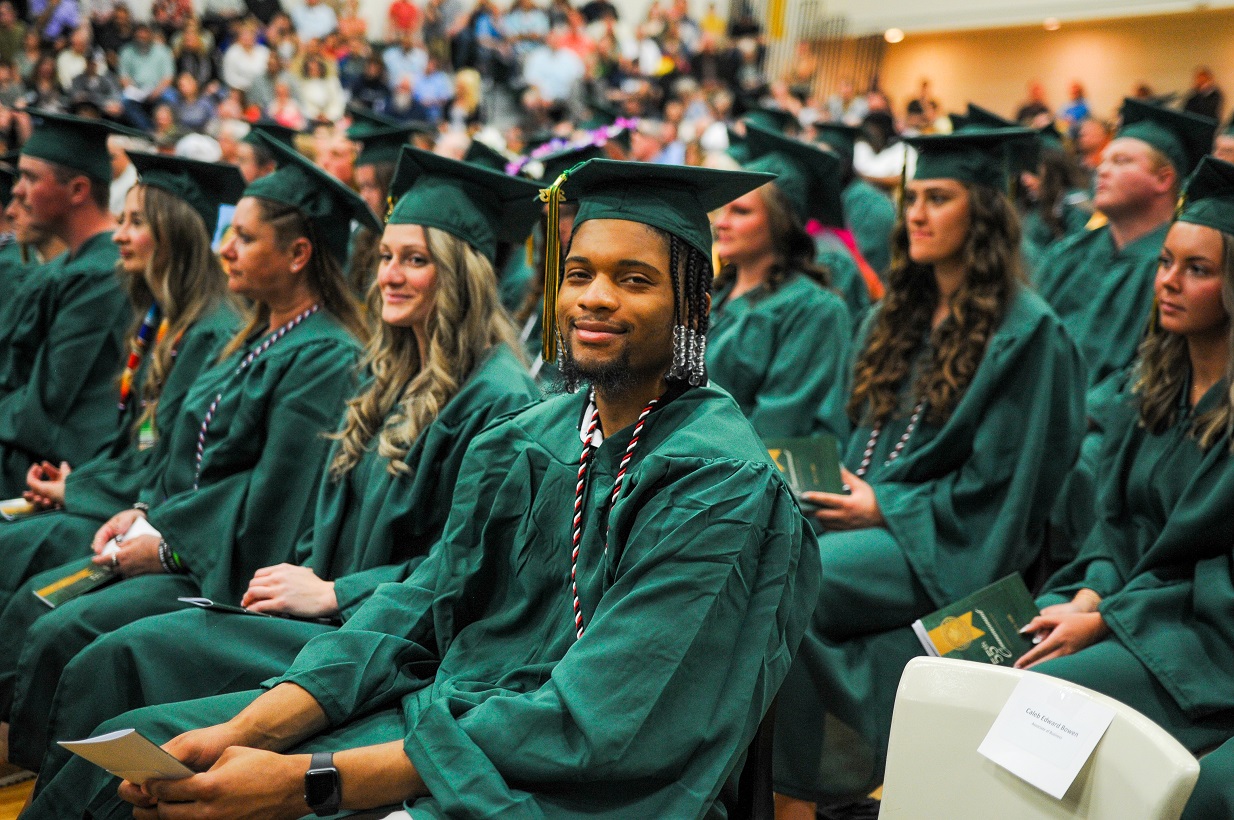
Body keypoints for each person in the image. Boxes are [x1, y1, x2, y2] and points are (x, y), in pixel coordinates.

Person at [55, 159, 819, 820]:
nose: (594, 297)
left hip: (569, 784)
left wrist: (306, 783)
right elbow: (417, 605)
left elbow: (599, 723)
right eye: (580, 273)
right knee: (143, 755)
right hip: (450, 721)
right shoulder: (532, 437)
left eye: (634, 279)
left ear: (690, 304)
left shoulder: (720, 485)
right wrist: (247, 731)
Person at [21, 147, 544, 788]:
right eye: (385, 257)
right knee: (97, 650)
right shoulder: (393, 373)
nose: (390, 276)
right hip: (314, 610)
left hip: (375, 638)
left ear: (462, 274)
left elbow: (459, 570)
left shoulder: (499, 401)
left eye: (416, 260)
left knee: (122, 661)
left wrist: (331, 592)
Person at [0, 132, 378, 761]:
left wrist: (168, 543)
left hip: (228, 571)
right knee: (41, 606)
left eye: (246, 238)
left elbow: (270, 503)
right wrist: (144, 512)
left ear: (298, 254)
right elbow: (186, 455)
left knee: (71, 634)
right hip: (180, 540)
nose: (224, 248)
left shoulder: (324, 354)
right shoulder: (259, 334)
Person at [772, 129, 1085, 818]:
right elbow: (856, 432)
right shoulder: (895, 314)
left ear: (983, 216)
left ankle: (805, 791)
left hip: (953, 541)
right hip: (872, 513)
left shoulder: (1028, 335)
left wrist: (886, 506)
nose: (916, 213)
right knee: (753, 549)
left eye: (938, 199)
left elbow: (1005, 490)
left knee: (799, 580)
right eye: (911, 198)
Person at [1011, 159, 1234, 820]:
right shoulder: (1154, 389)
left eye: (1198, 269)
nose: (1168, 281)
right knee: (996, 652)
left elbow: (1214, 580)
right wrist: (1085, 597)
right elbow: (1115, 527)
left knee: (1039, 695)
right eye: (1166, 262)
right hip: (1131, 606)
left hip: (1200, 640)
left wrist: (1105, 620)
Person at [0, 152, 243, 623]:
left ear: (173, 235)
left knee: (30, 590)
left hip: (153, 522)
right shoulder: (164, 322)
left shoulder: (208, 334)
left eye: (135, 223)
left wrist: (83, 491)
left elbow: (171, 463)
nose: (118, 234)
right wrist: (79, 484)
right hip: (124, 502)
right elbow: (142, 443)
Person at [1036, 99, 1218, 557]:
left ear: (1164, 180)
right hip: (1041, 408)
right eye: (1105, 158)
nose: (1102, 169)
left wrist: (1075, 414)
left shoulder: (1180, 271)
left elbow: (1163, 367)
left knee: (1076, 466)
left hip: (1118, 422)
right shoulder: (1068, 254)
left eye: (1122, 160)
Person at [0, 112, 142, 498]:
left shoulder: (104, 276)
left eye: (30, 178)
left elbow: (52, 401)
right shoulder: (70, 265)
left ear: (78, 190)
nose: (17, 192)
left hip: (51, 462)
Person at [710, 121, 853, 440]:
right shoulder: (716, 293)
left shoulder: (816, 310)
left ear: (780, 222)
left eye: (741, 211)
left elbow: (779, 427)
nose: (721, 223)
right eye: (723, 209)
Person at [814, 121, 897, 281]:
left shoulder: (873, 207)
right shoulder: (825, 196)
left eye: (823, 161)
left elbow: (865, 274)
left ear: (843, 162)